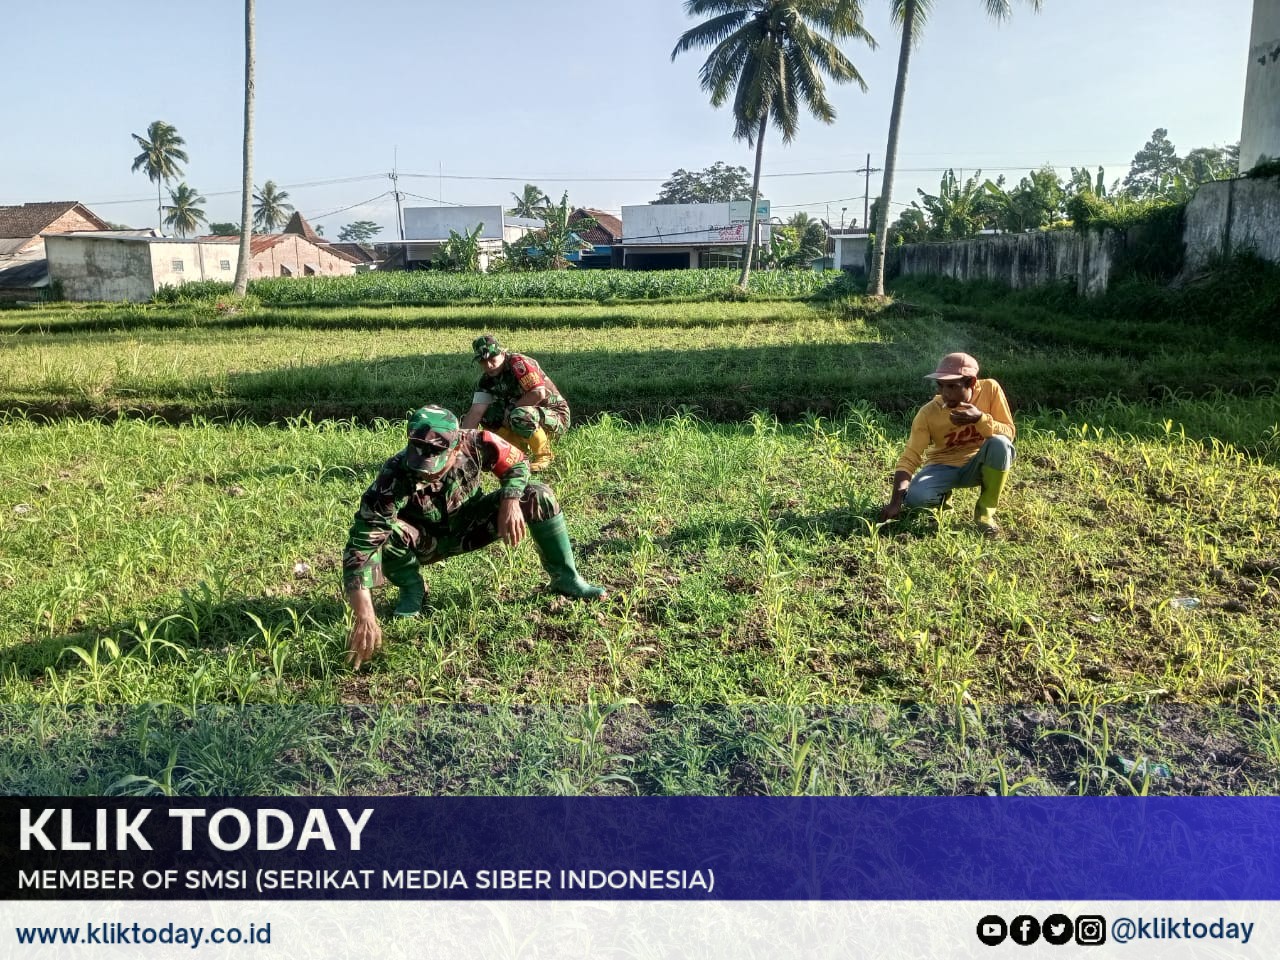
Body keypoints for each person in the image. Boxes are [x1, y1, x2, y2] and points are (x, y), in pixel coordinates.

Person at [343, 405, 606, 669]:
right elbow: (362, 545)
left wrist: (511, 500)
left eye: (435, 463)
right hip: (425, 540)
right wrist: (365, 616)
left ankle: (565, 578)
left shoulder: (478, 442)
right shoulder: (393, 475)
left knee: (539, 495)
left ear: (456, 447)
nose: (426, 472)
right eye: (420, 462)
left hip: (472, 524)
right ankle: (413, 589)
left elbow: (517, 462)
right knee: (385, 534)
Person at [877, 352, 1016, 536]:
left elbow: (1009, 432)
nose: (945, 393)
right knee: (916, 498)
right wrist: (895, 502)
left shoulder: (990, 389)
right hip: (942, 466)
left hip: (979, 464)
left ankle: (985, 514)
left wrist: (980, 419)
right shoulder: (928, 413)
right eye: (940, 385)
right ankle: (942, 502)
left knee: (1001, 444)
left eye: (952, 386)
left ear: (971, 382)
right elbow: (910, 457)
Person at [461, 335, 570, 472]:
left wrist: (510, 410)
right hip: (523, 416)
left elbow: (538, 393)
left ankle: (544, 455)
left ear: (502, 354)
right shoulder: (486, 381)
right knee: (488, 415)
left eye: (492, 359)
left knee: (519, 414)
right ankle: (515, 451)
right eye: (483, 361)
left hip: (555, 415)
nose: (488, 365)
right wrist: (461, 446)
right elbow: (476, 412)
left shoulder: (517, 363)